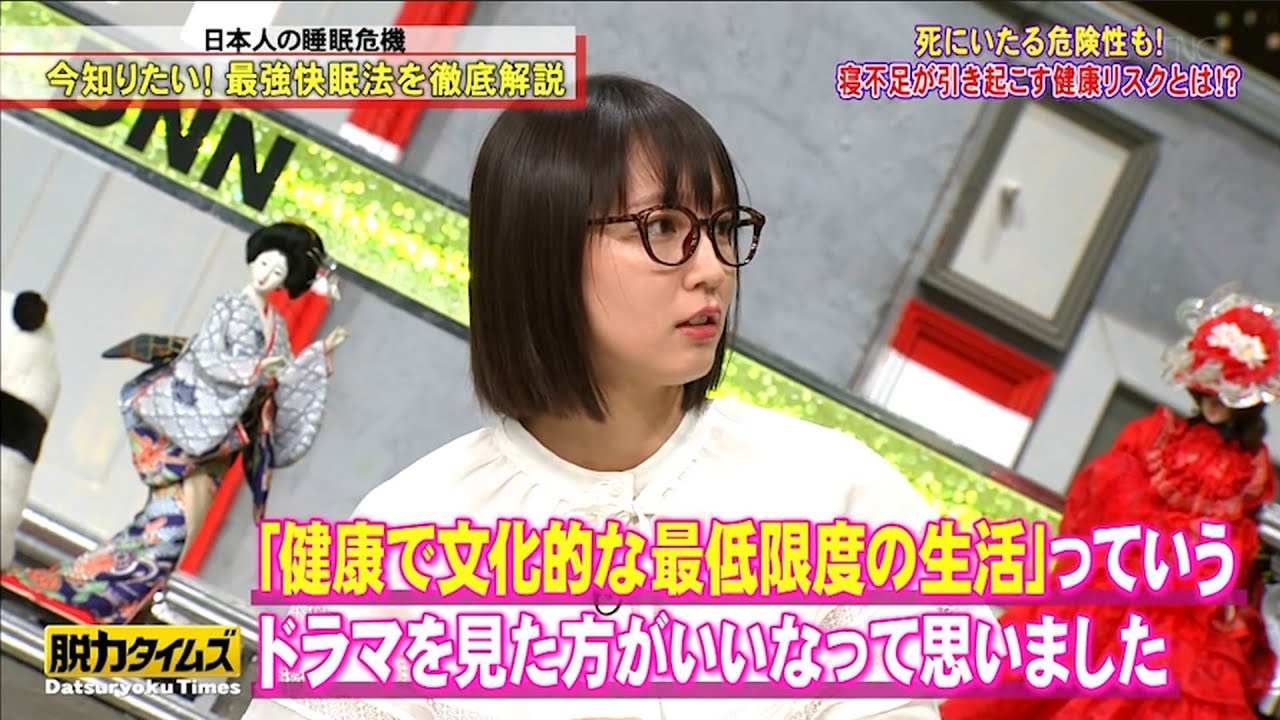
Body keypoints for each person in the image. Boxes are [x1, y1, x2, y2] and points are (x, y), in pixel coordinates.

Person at [244, 74, 976, 720]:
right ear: (541, 250)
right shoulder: (405, 534)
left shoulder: (837, 495)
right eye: (664, 228)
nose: (713, 269)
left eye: (723, 228)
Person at [942, 282, 1279, 720]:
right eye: (1209, 390)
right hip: (1111, 589)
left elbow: (1237, 556)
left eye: (1225, 395)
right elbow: (1095, 502)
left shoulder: (1251, 473)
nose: (1215, 404)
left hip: (1179, 624)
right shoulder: (1153, 438)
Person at [5, 222, 349, 624]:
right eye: (263, 263)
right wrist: (253, 370)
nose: (264, 275)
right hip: (193, 430)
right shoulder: (230, 306)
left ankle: (112, 603)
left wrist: (315, 360)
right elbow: (205, 359)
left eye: (277, 272)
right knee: (167, 528)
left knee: (174, 533)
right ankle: (90, 597)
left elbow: (282, 378)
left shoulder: (278, 327)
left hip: (221, 444)